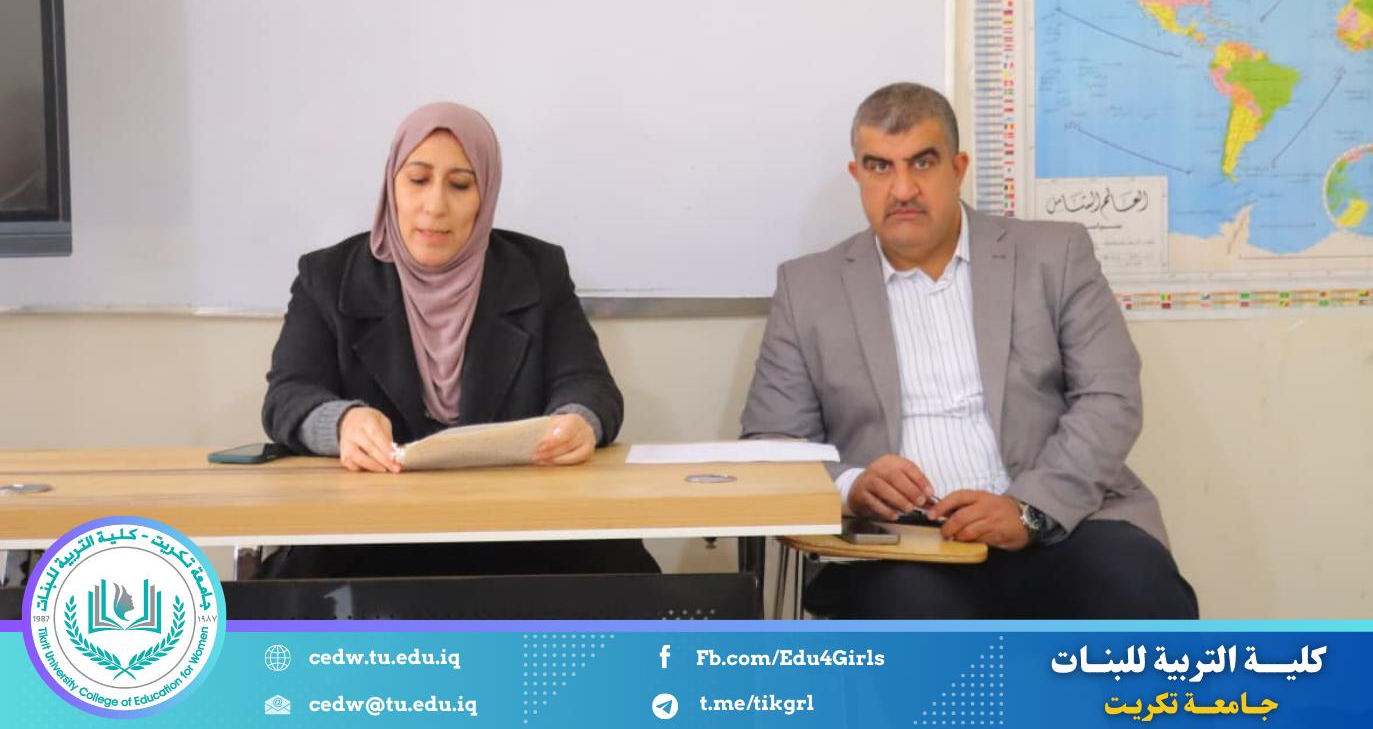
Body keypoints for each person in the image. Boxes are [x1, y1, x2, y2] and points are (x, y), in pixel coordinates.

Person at [740, 82, 1197, 618]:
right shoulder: (807, 288)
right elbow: (772, 442)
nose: (903, 189)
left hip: (1060, 522)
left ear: (958, 168)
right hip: (901, 543)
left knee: (1140, 591)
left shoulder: (1055, 255)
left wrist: (1027, 510)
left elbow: (1110, 397)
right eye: (880, 167)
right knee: (912, 619)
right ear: (857, 175)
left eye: (922, 163)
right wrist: (851, 486)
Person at [260, 101, 656, 578]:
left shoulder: (537, 271)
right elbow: (288, 396)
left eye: (460, 185)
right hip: (369, 531)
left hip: (518, 530)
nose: (435, 206)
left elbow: (590, 385)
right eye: (418, 179)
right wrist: (341, 423)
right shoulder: (327, 276)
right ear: (391, 184)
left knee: (623, 575)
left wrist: (579, 422)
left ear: (485, 193)